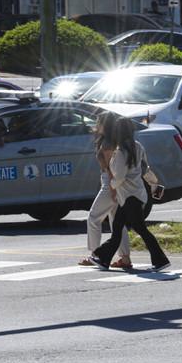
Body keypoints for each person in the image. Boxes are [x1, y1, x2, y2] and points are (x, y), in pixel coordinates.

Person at [90, 117, 170, 272]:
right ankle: (102, 257)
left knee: (138, 229)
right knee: (118, 229)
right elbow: (145, 168)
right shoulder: (137, 146)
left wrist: (111, 186)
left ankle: (161, 260)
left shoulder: (120, 151)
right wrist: (154, 184)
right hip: (137, 195)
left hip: (128, 197)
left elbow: (119, 176)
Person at [78, 112, 133, 269]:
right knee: (117, 222)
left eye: (99, 122)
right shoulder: (111, 140)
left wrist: (112, 189)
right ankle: (125, 258)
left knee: (94, 218)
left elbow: (111, 168)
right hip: (113, 183)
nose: (96, 125)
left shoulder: (107, 143)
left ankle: (95, 254)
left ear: (105, 125)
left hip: (109, 183)